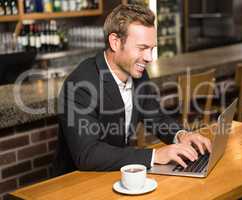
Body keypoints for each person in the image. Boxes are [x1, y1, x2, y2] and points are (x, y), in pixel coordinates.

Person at [53, 4, 211, 176]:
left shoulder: (138, 73)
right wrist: (155, 155)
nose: (149, 58)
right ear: (115, 42)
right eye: (142, 48)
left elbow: (155, 117)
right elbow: (88, 154)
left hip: (116, 173)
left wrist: (182, 135)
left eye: (152, 49)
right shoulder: (79, 84)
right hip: (76, 181)